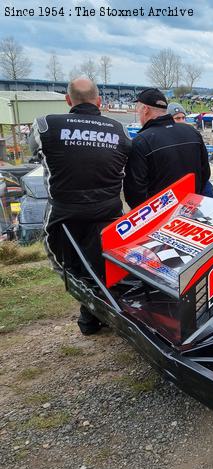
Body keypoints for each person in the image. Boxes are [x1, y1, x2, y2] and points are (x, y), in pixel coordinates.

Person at [29, 77, 131, 335]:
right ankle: (94, 315)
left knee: (69, 268)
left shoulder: (45, 125)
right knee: (102, 267)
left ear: (68, 100)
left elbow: (36, 152)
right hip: (108, 211)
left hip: (64, 213)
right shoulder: (119, 129)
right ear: (99, 101)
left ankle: (91, 317)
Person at [124, 88, 213, 208]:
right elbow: (204, 174)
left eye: (138, 110)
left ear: (145, 109)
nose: (139, 114)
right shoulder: (192, 132)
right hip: (191, 207)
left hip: (160, 216)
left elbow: (135, 193)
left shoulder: (141, 141)